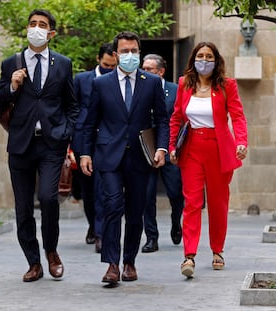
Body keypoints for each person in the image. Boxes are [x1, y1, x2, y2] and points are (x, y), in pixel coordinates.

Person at [0, 9, 79, 282]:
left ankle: (51, 251)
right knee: (23, 208)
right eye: (32, 24)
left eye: (42, 25)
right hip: (20, 144)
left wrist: (67, 132)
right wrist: (13, 86)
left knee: (50, 199)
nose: (36, 28)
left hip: (52, 143)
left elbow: (72, 105)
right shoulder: (11, 63)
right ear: (27, 29)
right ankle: (33, 262)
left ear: (51, 32)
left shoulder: (63, 63)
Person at [80, 31, 169, 285]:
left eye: (134, 51)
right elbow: (90, 122)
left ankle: (129, 261)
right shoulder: (100, 84)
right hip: (108, 156)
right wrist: (85, 153)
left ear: (139, 53)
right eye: (125, 51)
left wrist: (161, 148)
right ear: (116, 54)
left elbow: (162, 119)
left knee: (134, 210)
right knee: (112, 206)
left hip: (141, 157)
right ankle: (111, 264)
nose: (129, 55)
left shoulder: (150, 83)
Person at [169, 42, 248, 278]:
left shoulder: (227, 85)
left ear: (216, 60)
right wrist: (172, 146)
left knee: (218, 202)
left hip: (218, 148)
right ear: (193, 59)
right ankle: (189, 255)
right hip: (192, 147)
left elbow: (238, 116)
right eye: (200, 55)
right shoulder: (184, 84)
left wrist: (242, 141)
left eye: (209, 56)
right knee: (192, 202)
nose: (204, 60)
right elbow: (176, 118)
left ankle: (217, 250)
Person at [71, 42, 117, 253]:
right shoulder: (82, 79)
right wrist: (71, 144)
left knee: (102, 190)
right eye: (106, 65)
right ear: (99, 60)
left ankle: (100, 234)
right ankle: (92, 224)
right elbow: (73, 108)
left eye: (112, 66)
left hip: (107, 142)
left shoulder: (118, 79)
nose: (109, 69)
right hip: (83, 141)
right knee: (88, 192)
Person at [140, 54, 184, 253]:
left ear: (161, 71)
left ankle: (176, 222)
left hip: (169, 150)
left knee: (175, 193)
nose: (144, 72)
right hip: (146, 151)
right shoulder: (138, 89)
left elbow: (181, 120)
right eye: (143, 68)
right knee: (146, 196)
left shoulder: (175, 91)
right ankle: (151, 237)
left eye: (149, 69)